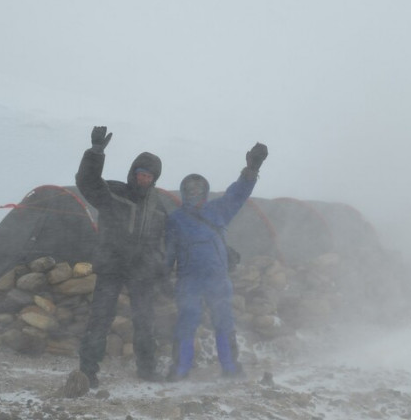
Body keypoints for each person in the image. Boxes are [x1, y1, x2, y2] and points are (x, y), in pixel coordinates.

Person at [165, 142, 269, 380]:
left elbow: (238, 192)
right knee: (186, 324)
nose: (193, 194)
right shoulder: (176, 219)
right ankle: (180, 370)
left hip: (217, 279)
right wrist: (162, 273)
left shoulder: (218, 210)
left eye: (197, 190)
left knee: (224, 323)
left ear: (204, 192)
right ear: (183, 193)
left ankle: (230, 368)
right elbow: (169, 251)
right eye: (189, 191)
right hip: (188, 280)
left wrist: (250, 170)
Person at [75, 126, 167, 386]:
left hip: (141, 270)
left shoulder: (158, 208)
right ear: (133, 173)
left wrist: (158, 265)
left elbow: (161, 241)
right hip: (112, 266)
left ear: (154, 178)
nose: (143, 179)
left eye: (149, 176)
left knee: (145, 320)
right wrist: (95, 153)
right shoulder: (114, 193)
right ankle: (88, 371)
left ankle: (147, 369)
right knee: (101, 318)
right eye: (140, 173)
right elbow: (88, 183)